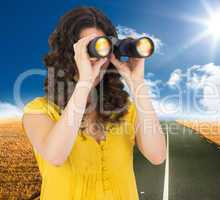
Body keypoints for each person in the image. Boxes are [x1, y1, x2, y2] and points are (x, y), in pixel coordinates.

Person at [22, 6, 166, 200]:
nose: (98, 60)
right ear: (69, 55)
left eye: (104, 49)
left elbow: (157, 155)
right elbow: (55, 156)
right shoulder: (38, 111)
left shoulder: (125, 110)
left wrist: (137, 83)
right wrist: (85, 82)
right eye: (92, 49)